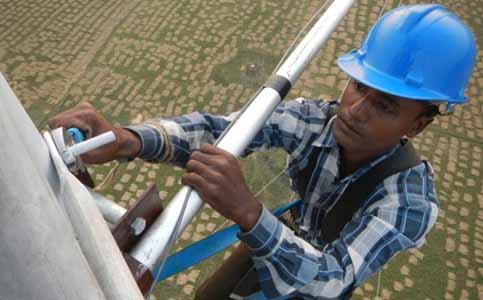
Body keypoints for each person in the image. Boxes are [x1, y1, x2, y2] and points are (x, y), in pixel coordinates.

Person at [48, 4, 476, 300]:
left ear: (418, 124)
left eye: (385, 105)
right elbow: (223, 130)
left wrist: (250, 213)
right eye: (358, 86)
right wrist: (127, 139)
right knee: (210, 295)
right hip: (277, 237)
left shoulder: (410, 203)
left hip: (315, 271)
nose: (355, 111)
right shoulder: (319, 119)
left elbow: (329, 280)